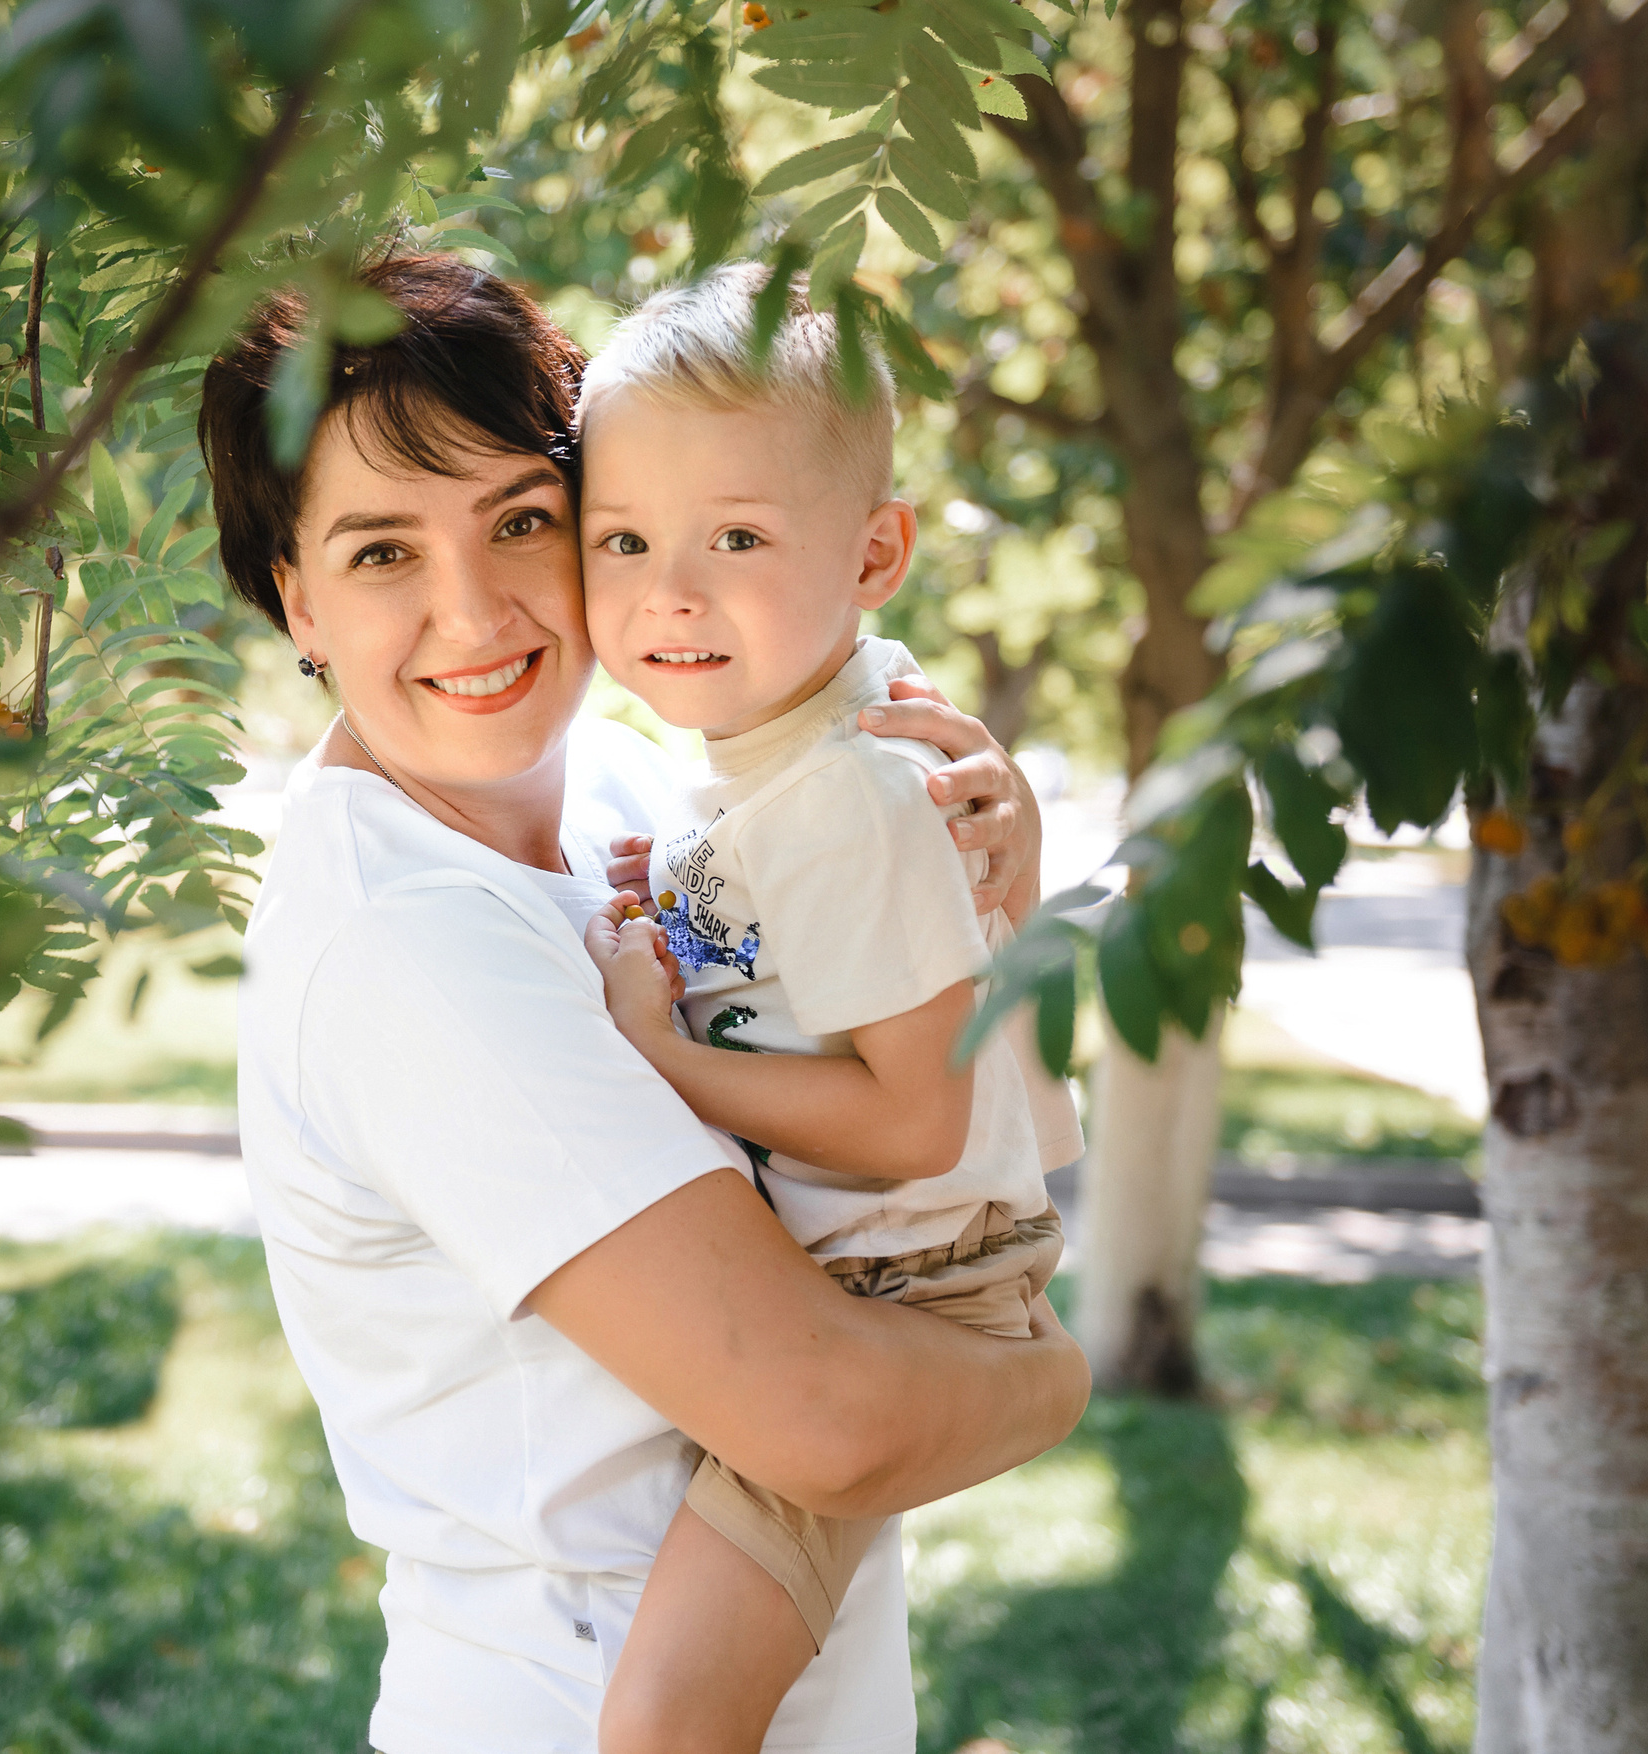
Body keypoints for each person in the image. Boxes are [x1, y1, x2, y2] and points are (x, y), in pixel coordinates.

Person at [201, 253, 1090, 1754]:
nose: (473, 611)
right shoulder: (411, 949)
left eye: (521, 521)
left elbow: (867, 976)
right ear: (295, 598)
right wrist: (1048, 1375)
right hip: (574, 1701)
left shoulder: (621, 786)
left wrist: (982, 859)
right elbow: (832, 1421)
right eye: (379, 554)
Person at [573, 263, 1072, 1754]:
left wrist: (666, 1056)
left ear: (876, 551)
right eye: (624, 538)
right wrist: (677, 882)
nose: (671, 587)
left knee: (665, 1725)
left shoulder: (847, 789)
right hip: (879, 1270)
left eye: (736, 535)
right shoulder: (796, 738)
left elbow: (913, 1115)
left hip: (907, 1291)